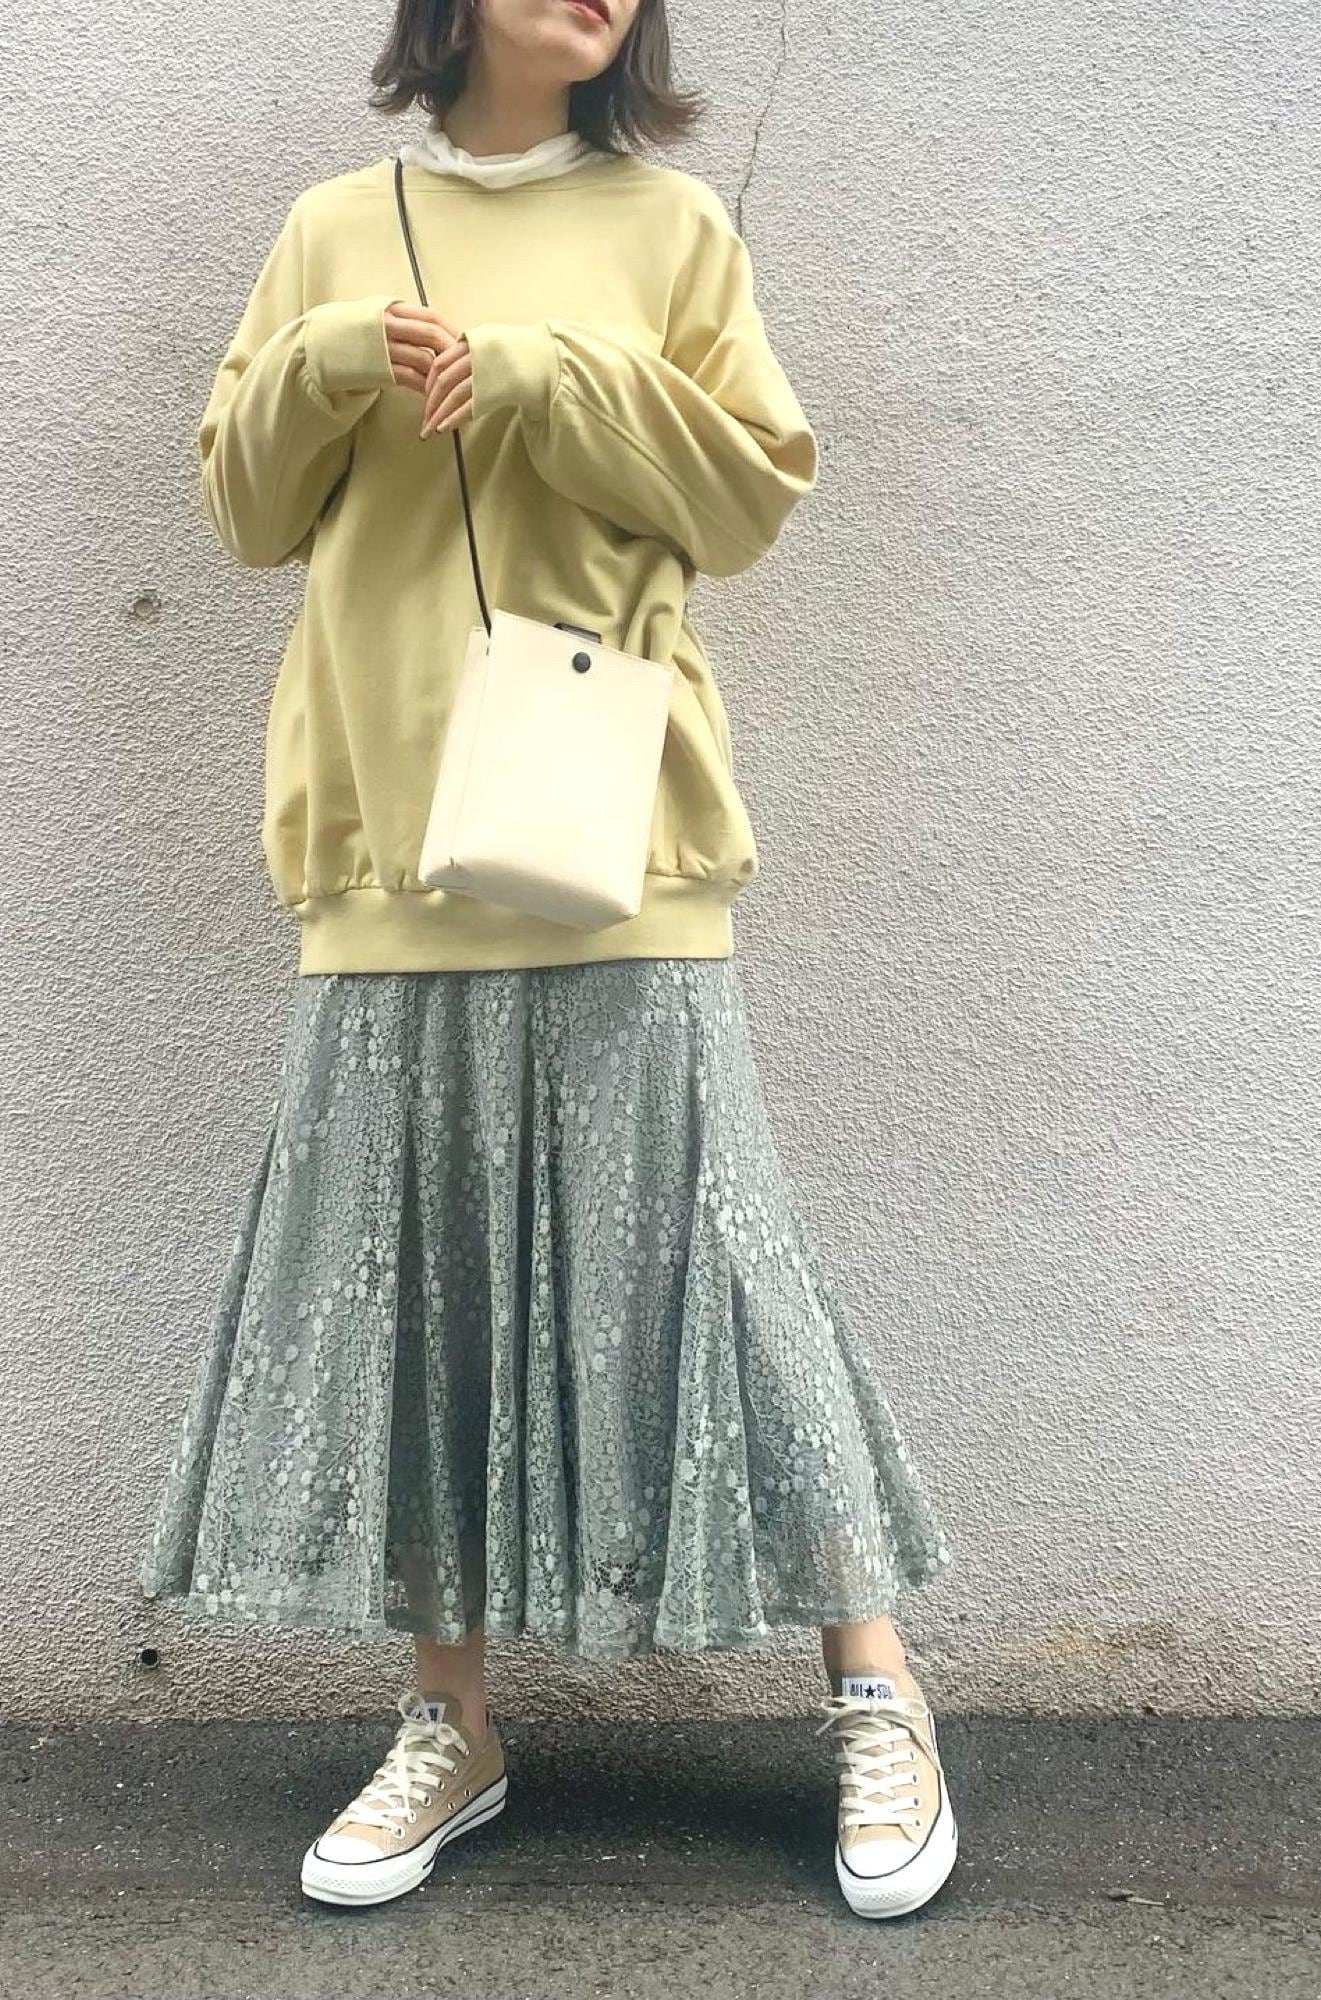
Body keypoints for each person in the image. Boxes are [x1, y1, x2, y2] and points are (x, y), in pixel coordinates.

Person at [139, 0, 956, 1924]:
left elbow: (745, 496)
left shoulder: (672, 228)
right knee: (424, 1273)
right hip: (387, 834)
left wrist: (536, 378)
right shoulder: (334, 224)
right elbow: (245, 510)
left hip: (616, 827)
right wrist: (334, 357)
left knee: (714, 1256)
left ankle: (878, 1687)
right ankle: (451, 1719)